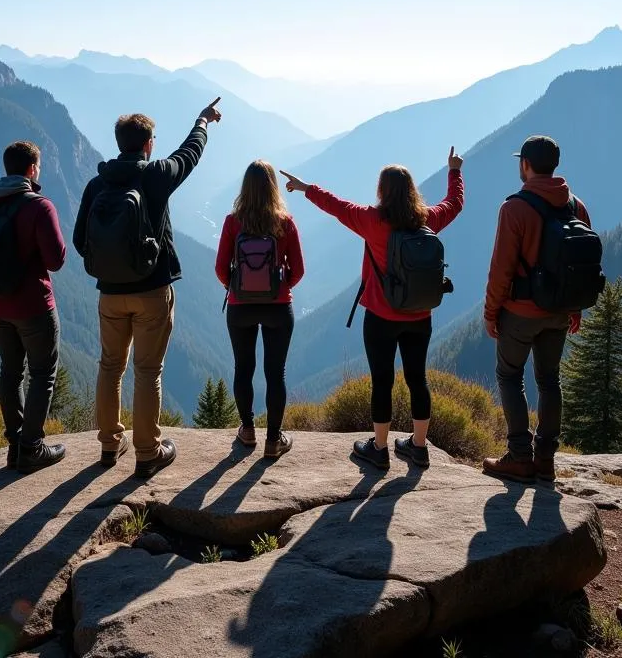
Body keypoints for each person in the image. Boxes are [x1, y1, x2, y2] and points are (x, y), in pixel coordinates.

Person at [281, 150, 464, 469]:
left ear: (382, 191)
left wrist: (304, 187)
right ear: (412, 191)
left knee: (382, 381)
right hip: (420, 316)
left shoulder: (371, 220)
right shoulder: (429, 220)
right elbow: (454, 203)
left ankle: (379, 449)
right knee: (417, 379)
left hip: (380, 317)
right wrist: (454, 172)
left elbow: (336, 205)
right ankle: (418, 447)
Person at [75, 98, 222, 479]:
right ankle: (147, 452)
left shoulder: (97, 184)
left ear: (119, 142)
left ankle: (109, 445)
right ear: (148, 144)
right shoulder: (155, 175)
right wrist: (202, 121)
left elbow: (80, 240)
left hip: (109, 293)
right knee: (147, 370)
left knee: (110, 366)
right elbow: (190, 154)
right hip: (152, 291)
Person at [481, 135, 593, 485]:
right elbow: (582, 264)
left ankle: (519, 457)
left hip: (520, 312)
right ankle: (545, 460)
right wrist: (575, 308)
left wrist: (490, 312)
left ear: (525, 165)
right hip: (559, 310)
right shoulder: (576, 206)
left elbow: (501, 268)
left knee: (510, 376)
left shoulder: (514, 208)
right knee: (549, 380)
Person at [0, 140, 67, 475]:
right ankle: (32, 448)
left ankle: (15, 445)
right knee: (42, 373)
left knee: (10, 372)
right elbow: (55, 260)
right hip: (34, 305)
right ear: (32, 169)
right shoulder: (40, 207)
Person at [215, 160, 305, 459]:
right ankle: (273, 440)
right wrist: (281, 286)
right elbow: (299, 271)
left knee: (244, 368)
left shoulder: (232, 221)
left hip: (240, 308)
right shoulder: (285, 222)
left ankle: (248, 430)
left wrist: (237, 288)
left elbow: (220, 269)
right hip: (278, 308)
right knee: (275, 372)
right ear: (272, 187)